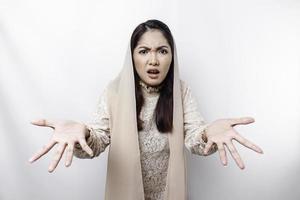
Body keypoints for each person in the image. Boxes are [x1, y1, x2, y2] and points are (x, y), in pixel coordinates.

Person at [28, 19, 264, 200]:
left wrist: (207, 133)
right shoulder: (115, 91)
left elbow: (194, 138)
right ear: (132, 57)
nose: (153, 60)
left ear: (172, 56)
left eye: (162, 51)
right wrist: (84, 134)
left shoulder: (181, 91)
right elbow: (98, 141)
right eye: (144, 51)